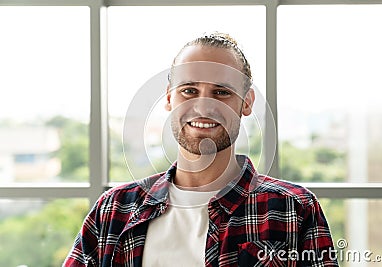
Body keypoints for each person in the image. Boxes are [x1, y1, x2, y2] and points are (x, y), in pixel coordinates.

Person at [64, 33, 339, 267]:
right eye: (189, 91)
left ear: (247, 102)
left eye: (221, 92)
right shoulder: (113, 211)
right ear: (170, 98)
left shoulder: (294, 209)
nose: (205, 107)